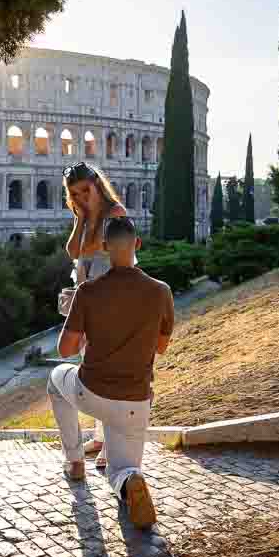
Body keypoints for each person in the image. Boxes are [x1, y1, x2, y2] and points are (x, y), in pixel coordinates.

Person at [49, 216, 173, 529]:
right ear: (137, 245)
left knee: (55, 380)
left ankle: (75, 460)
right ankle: (130, 480)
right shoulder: (161, 292)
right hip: (135, 401)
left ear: (104, 248)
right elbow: (161, 347)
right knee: (123, 469)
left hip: (91, 394)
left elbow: (65, 350)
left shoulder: (88, 292)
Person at [62, 161, 129, 468]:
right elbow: (73, 251)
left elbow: (112, 255)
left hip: (112, 302)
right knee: (91, 369)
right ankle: (101, 435)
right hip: (87, 302)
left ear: (97, 185)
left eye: (85, 190)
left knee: (108, 372)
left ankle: (112, 442)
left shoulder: (115, 214)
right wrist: (81, 217)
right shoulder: (86, 217)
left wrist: (94, 215)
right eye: (74, 194)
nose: (80, 197)